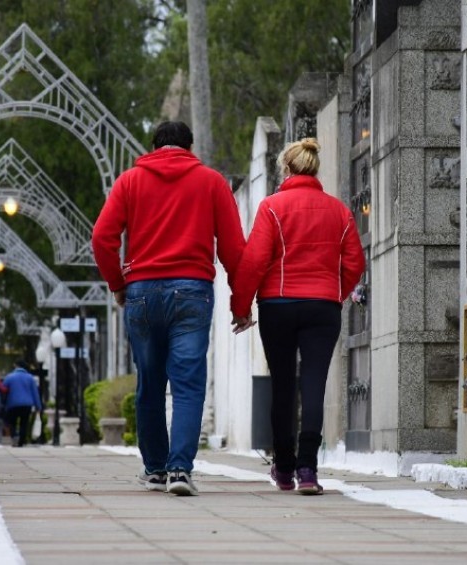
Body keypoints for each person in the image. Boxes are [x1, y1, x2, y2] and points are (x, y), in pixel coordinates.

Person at [92, 121, 246, 496]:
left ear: (154, 146)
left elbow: (102, 237)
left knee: (149, 384)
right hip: (192, 291)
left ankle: (155, 469)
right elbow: (233, 249)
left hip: (142, 292)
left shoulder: (129, 181)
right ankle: (179, 470)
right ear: (190, 147)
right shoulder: (211, 182)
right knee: (188, 385)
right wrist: (240, 304)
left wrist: (118, 284)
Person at [230, 138, 365, 495]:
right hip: (323, 307)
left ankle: (284, 467)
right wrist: (334, 292)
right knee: (314, 385)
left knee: (283, 387)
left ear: (286, 169)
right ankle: (308, 470)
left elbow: (254, 261)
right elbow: (355, 263)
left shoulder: (272, 207)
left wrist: (241, 307)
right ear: (314, 168)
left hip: (277, 306)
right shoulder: (339, 211)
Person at [2, 360, 43, 447]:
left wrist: (3, 404)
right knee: (24, 423)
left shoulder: (9, 377)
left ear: (16, 366)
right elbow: (35, 393)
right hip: (27, 405)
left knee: (12, 422)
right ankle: (21, 441)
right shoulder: (30, 378)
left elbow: (3, 390)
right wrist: (38, 406)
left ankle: (14, 437)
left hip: (12, 404)